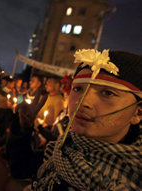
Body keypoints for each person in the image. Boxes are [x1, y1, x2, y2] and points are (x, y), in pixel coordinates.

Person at [30, 49, 142, 191]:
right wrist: (22, 130)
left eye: (107, 93)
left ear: (138, 113)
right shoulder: (60, 148)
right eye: (77, 89)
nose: (82, 102)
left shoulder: (130, 180)